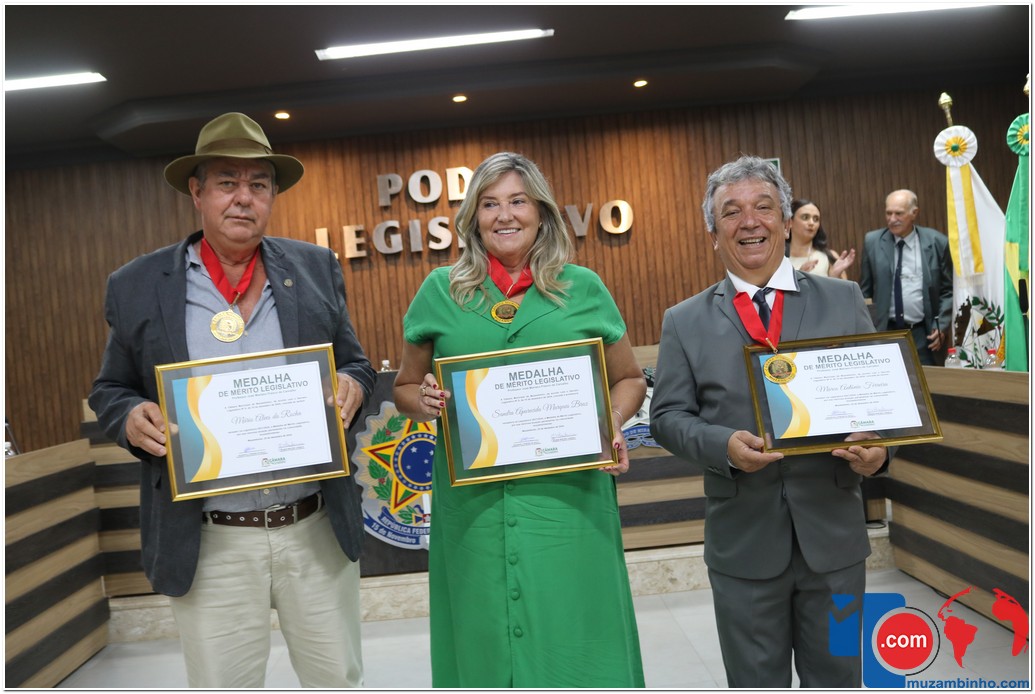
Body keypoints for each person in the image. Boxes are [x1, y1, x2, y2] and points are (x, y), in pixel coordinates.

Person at [88, 112, 375, 688]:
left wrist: (355, 383)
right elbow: (110, 389)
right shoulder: (137, 284)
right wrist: (130, 416)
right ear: (197, 193)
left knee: (337, 681)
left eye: (258, 184)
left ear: (272, 196)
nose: (244, 198)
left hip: (313, 527)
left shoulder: (315, 268)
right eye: (227, 182)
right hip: (210, 536)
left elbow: (356, 362)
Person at [392, 151, 646, 688]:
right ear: (473, 218)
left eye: (518, 201)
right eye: (489, 204)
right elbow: (405, 388)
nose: (504, 215)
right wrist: (425, 401)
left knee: (578, 632)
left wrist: (612, 421)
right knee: (482, 637)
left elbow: (629, 378)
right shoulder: (440, 290)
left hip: (570, 503)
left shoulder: (583, 287)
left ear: (541, 212)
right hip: (474, 508)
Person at [649, 155, 889, 688]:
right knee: (755, 681)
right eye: (731, 212)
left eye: (763, 207)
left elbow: (881, 399)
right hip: (743, 546)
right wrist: (722, 446)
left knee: (842, 676)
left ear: (785, 220)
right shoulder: (684, 321)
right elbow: (666, 417)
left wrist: (880, 452)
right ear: (713, 234)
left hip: (835, 544)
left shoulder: (844, 300)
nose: (749, 222)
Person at [859, 189, 953, 364]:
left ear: (914, 213)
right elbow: (865, 292)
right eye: (888, 213)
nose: (892, 219)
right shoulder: (872, 242)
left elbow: (948, 290)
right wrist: (869, 333)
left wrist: (942, 325)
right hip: (885, 332)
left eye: (899, 213)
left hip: (924, 334)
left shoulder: (937, 242)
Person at [785, 198, 855, 279]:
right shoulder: (779, 259)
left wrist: (834, 277)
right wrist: (798, 278)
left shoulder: (829, 256)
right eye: (805, 217)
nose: (811, 223)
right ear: (790, 222)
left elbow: (845, 287)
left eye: (816, 219)